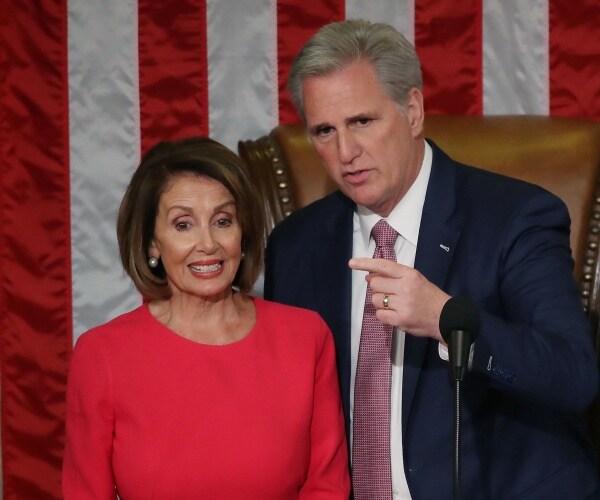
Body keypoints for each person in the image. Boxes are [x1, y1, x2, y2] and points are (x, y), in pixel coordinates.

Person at [264, 19, 600, 499]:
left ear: (413, 111)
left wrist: (446, 319)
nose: (346, 152)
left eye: (362, 121)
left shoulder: (515, 218)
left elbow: (572, 377)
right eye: (324, 130)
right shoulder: (296, 246)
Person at [62, 137, 350, 499]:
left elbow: (327, 486)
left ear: (242, 233)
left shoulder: (306, 337)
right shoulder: (102, 354)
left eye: (223, 221)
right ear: (153, 242)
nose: (208, 243)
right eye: (183, 224)